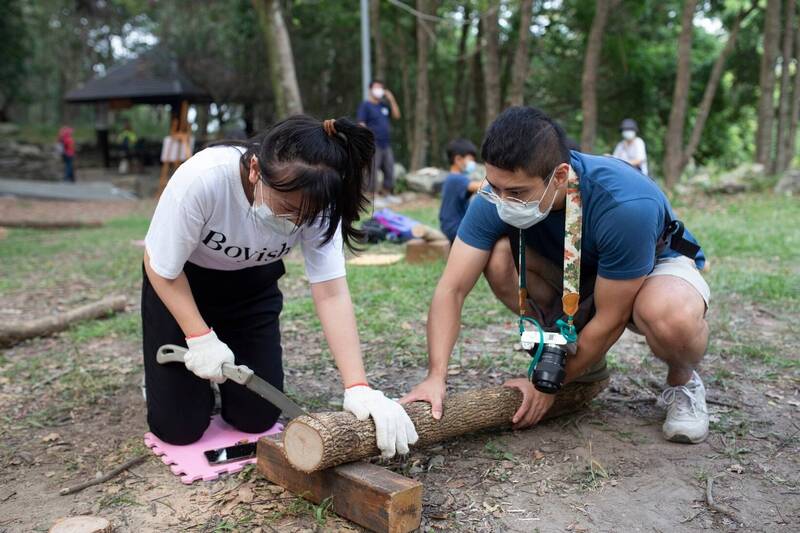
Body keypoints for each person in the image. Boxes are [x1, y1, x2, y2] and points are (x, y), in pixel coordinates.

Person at [403, 107, 710, 444]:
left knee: (670, 315)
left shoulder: (625, 204)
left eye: (517, 193)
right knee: (497, 257)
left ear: (560, 176)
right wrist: (435, 377)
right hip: (573, 272)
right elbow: (451, 288)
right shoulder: (497, 194)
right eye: (495, 187)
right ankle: (562, 347)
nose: (502, 201)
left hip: (649, 269)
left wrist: (544, 387)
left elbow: (612, 316)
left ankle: (683, 382)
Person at [142, 115, 418, 456]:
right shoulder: (204, 178)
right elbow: (161, 267)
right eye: (287, 209)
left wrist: (358, 386)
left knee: (257, 417)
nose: (295, 223)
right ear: (256, 170)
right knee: (178, 428)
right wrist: (199, 337)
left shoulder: (320, 202)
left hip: (251, 288)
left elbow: (331, 291)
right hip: (181, 282)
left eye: (306, 216)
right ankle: (164, 383)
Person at [356, 80, 401, 196]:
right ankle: (370, 194)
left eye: (381, 87)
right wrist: (366, 138)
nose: (379, 89)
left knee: (389, 169)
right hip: (373, 143)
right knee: (372, 170)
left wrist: (391, 99)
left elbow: (397, 115)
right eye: (376, 87)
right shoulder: (365, 105)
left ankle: (386, 192)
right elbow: (361, 123)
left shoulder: (383, 105)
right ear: (370, 89)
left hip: (386, 143)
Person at [439, 139, 481, 243]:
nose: (473, 163)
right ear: (458, 159)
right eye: (470, 159)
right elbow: (480, 187)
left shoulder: (454, 178)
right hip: (454, 227)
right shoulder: (456, 179)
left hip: (450, 226)